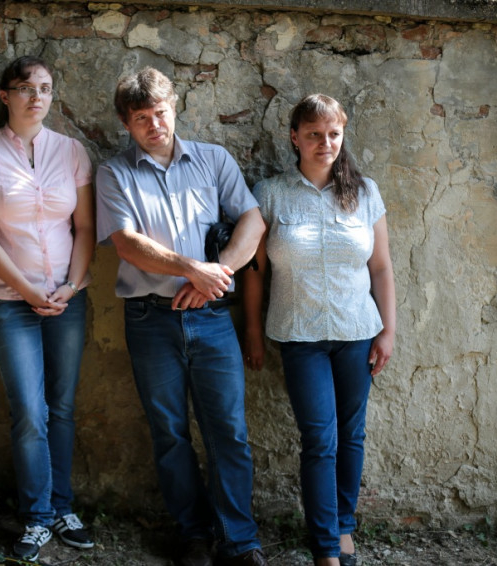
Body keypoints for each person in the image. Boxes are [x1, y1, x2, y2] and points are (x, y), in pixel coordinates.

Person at [95, 67, 269, 566]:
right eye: (141, 118)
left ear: (175, 108)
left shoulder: (213, 160)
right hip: (150, 320)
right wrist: (192, 268)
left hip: (212, 316)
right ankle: (193, 535)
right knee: (169, 432)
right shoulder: (114, 173)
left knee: (228, 431)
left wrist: (217, 273)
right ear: (126, 124)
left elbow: (253, 220)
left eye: (160, 113)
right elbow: (127, 244)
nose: (154, 125)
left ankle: (239, 539)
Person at [243, 94, 397, 566]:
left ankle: (344, 528)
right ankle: (326, 547)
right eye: (314, 134)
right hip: (299, 336)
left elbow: (381, 268)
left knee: (352, 436)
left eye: (333, 134)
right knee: (319, 439)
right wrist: (252, 331)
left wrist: (388, 331)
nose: (325, 143)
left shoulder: (365, 192)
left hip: (357, 333)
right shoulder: (270, 193)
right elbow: (254, 273)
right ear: (295, 137)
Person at [0, 55, 95, 562]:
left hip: (67, 299)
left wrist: (71, 285)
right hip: (9, 300)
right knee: (30, 411)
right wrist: (26, 289)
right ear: (5, 96)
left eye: (45, 88)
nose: (37, 97)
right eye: (26, 88)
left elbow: (85, 227)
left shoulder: (72, 151)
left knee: (62, 405)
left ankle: (62, 508)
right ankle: (37, 517)